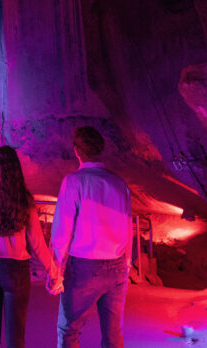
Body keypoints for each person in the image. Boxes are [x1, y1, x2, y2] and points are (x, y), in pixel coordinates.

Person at [49, 126, 133, 348]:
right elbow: (128, 227)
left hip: (84, 268)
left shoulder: (74, 181)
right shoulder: (119, 183)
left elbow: (62, 230)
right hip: (116, 267)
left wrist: (56, 271)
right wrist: (126, 264)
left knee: (69, 331)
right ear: (101, 149)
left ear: (77, 151)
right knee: (113, 334)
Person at [0, 146, 59, 348]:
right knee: (16, 340)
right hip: (15, 268)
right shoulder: (24, 201)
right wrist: (53, 272)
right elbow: (36, 242)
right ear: (17, 171)